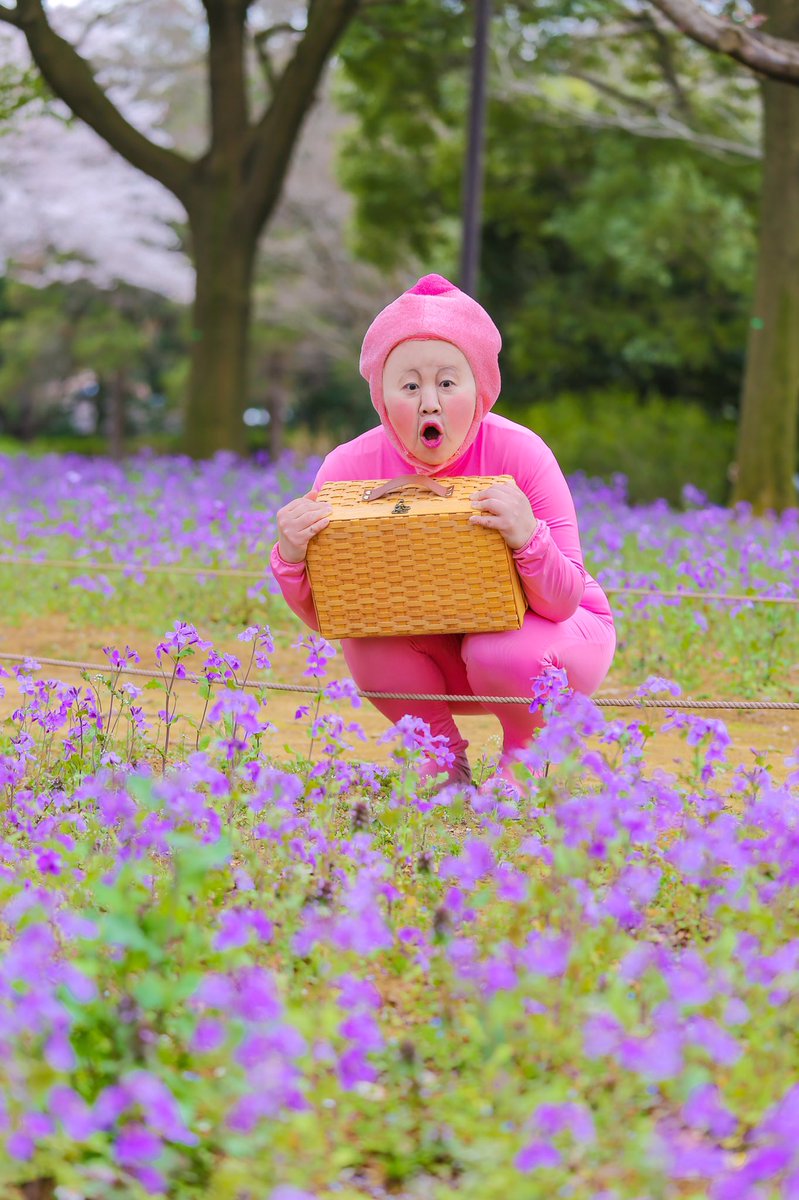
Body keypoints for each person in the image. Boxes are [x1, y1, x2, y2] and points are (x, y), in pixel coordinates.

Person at [270, 274, 615, 787]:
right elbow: (333, 615)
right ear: (381, 396)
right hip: (437, 653)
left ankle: (528, 762)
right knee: (367, 636)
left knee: (496, 648)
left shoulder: (522, 453)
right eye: (410, 386)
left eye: (448, 383)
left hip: (553, 642)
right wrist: (293, 558)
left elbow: (564, 601)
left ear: (481, 389)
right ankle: (441, 765)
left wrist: (529, 537)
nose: (429, 402)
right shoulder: (348, 468)